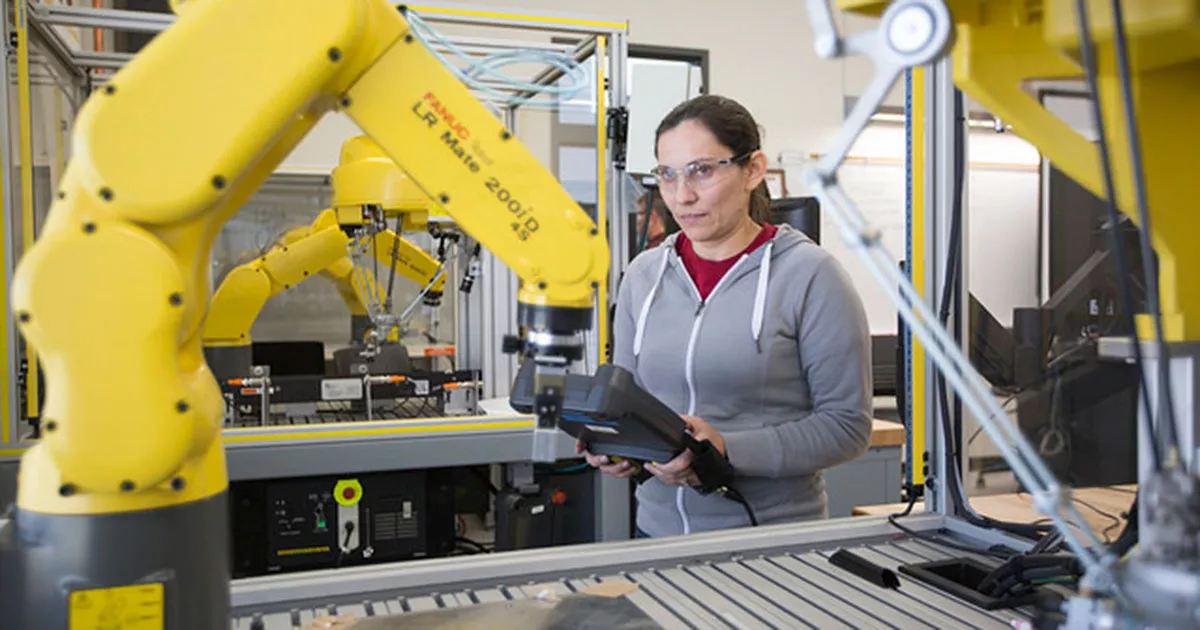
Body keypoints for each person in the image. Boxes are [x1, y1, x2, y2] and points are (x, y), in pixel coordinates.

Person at [580, 94, 873, 537]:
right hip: (655, 537)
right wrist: (616, 444)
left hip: (771, 541)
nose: (683, 195)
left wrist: (726, 449)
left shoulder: (812, 276)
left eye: (702, 170)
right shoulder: (643, 275)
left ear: (752, 169)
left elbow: (847, 427)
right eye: (667, 174)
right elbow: (627, 397)